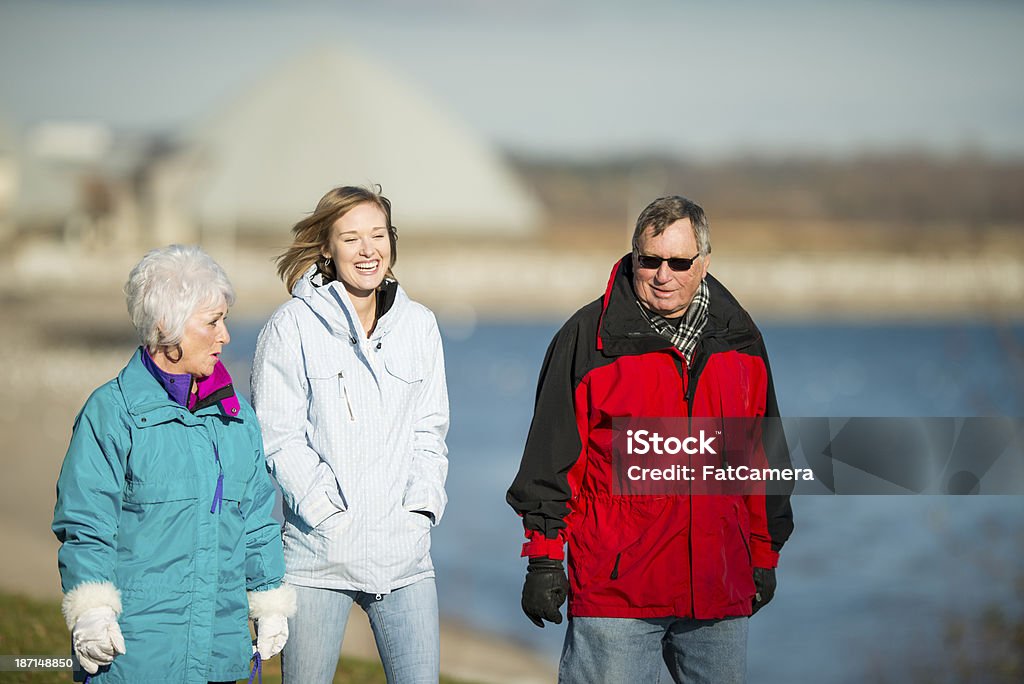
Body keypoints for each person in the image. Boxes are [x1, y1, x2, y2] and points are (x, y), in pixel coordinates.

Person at [507, 196, 794, 683]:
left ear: (703, 263)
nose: (664, 274)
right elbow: (550, 460)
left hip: (718, 590)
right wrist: (543, 559)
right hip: (617, 593)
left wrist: (763, 555)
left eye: (679, 262)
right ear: (633, 256)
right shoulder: (585, 338)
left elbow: (762, 459)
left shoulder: (741, 340)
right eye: (650, 260)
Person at [52, 245, 295, 683]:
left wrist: (269, 599)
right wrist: (91, 611)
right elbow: (86, 525)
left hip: (219, 655)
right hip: (134, 656)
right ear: (166, 326)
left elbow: (257, 519)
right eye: (212, 322)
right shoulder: (112, 412)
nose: (225, 336)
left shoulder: (236, 417)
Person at [251, 185, 449, 684]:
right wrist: (327, 514)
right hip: (319, 555)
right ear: (326, 248)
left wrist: (420, 509)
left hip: (404, 557)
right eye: (352, 238)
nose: (368, 251)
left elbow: (431, 430)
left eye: (378, 236)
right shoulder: (291, 326)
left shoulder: (420, 325)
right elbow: (278, 436)